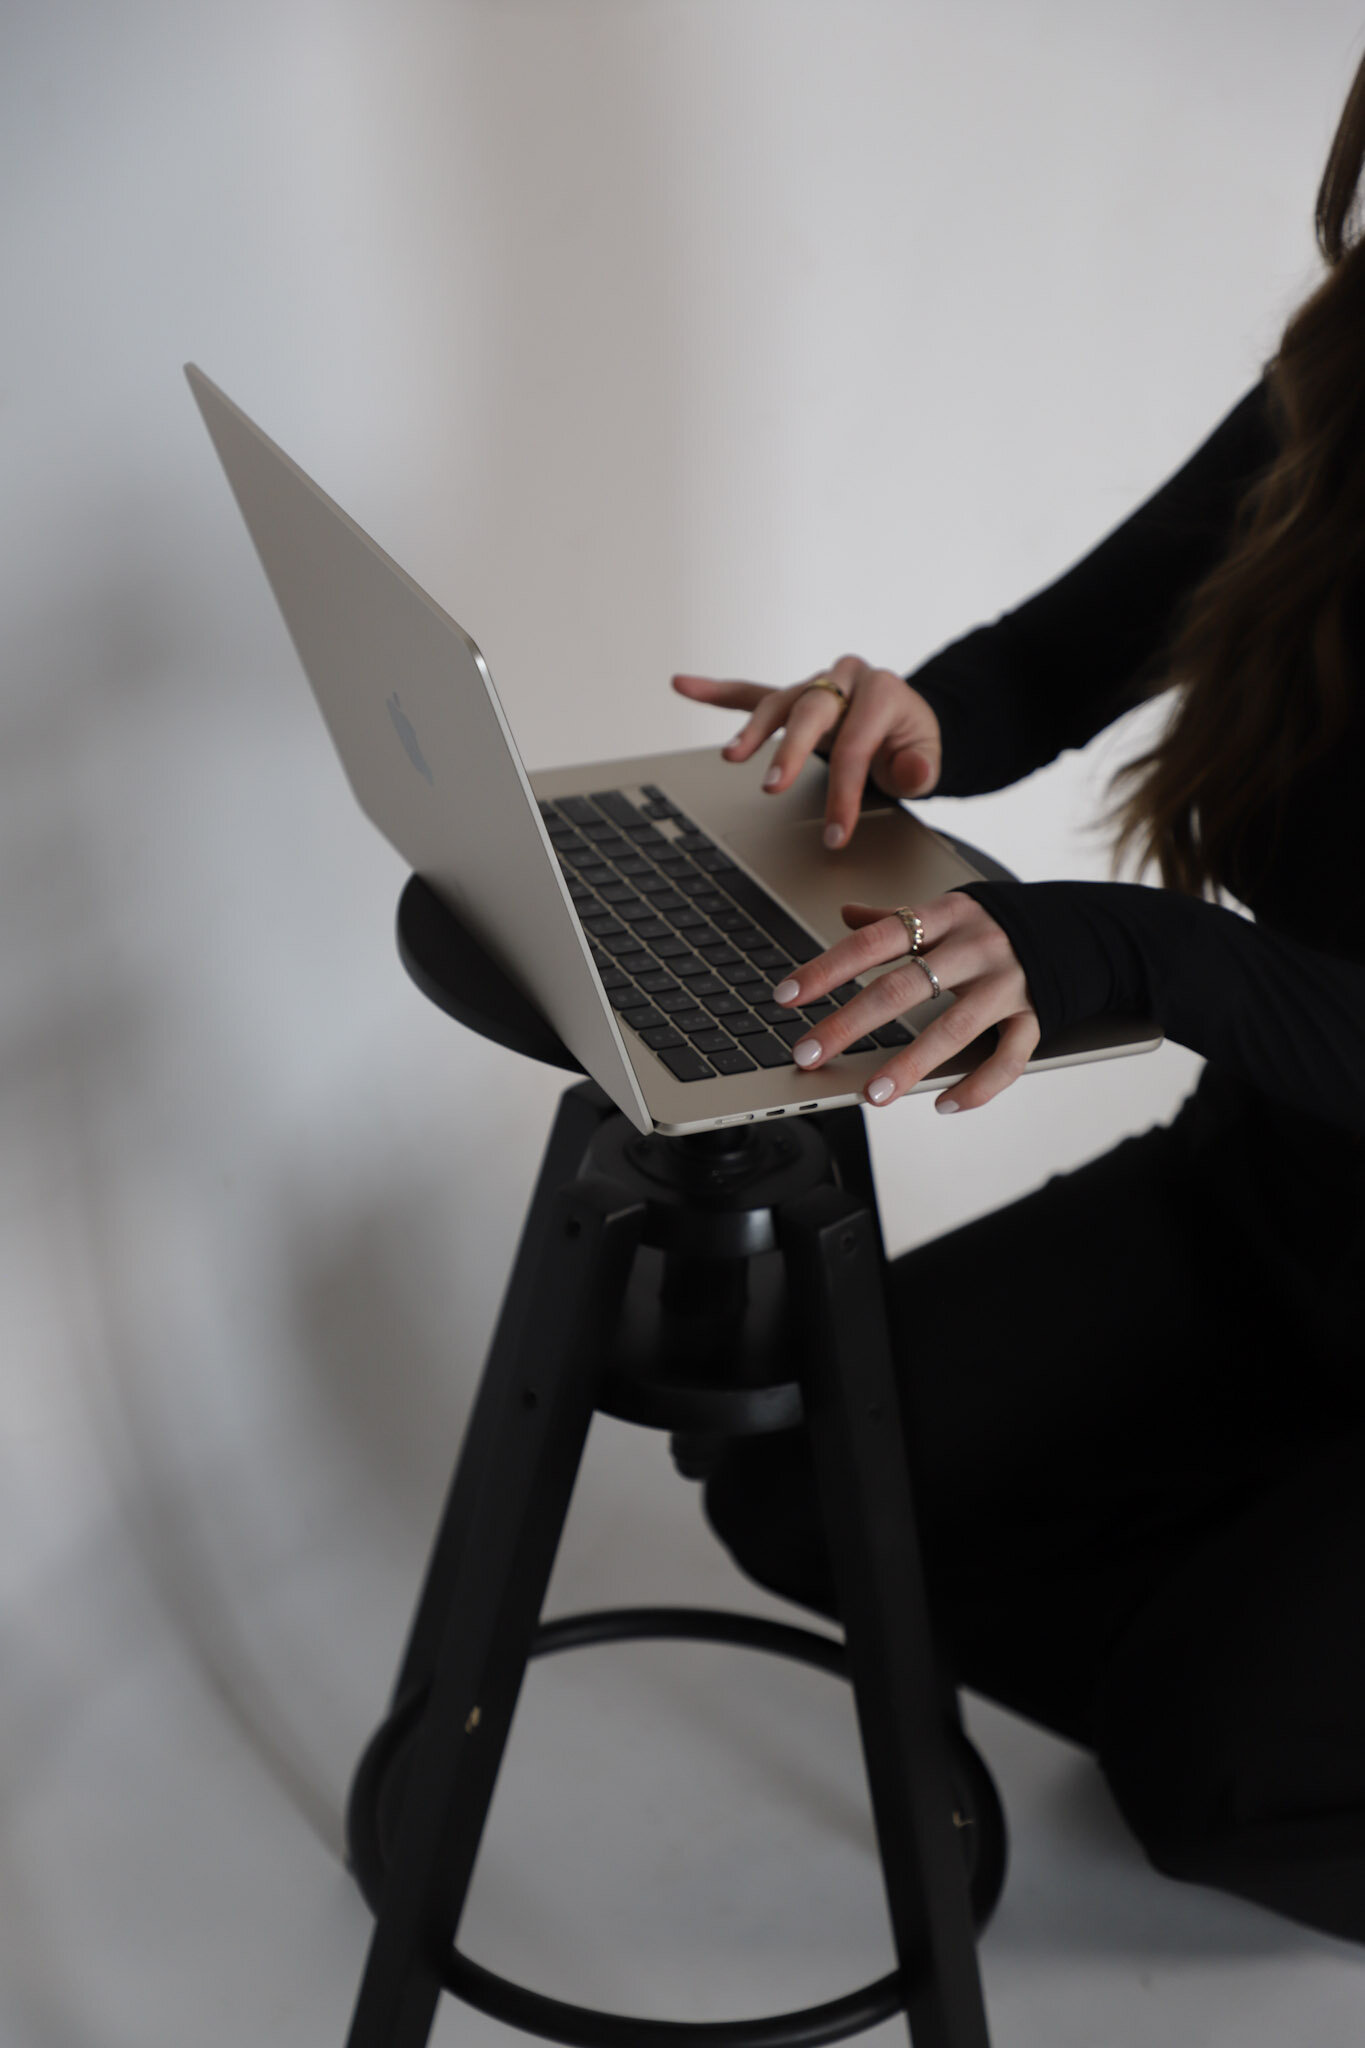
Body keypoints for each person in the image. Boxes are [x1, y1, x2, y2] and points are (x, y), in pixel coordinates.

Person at [670, 52, 1365, 1945]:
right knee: (801, 1479)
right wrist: (922, 722)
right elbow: (1096, 627)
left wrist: (1129, 952)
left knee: (1218, 1770)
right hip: (1278, 1205)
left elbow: (1165, 957)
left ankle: (1241, 1683)